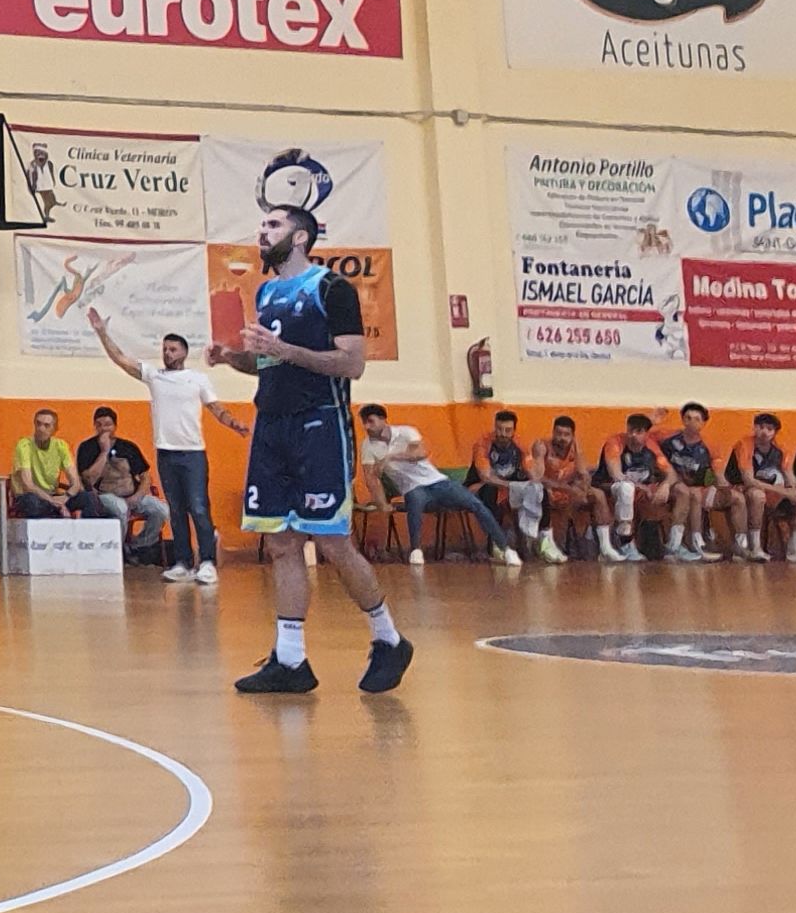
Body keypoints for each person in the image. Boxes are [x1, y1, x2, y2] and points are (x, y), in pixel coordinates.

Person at [223, 203, 409, 696]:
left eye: (273, 225)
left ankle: (388, 638)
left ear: (301, 236)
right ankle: (290, 659)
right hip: (272, 424)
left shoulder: (331, 288)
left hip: (319, 426)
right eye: (260, 223)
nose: (263, 232)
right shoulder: (265, 291)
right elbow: (268, 364)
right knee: (281, 542)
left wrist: (288, 353)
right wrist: (234, 358)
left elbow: (352, 365)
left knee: (330, 540)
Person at [89, 310, 219, 583]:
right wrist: (102, 332)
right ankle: (183, 561)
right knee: (175, 508)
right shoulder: (154, 376)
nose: (167, 353)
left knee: (198, 507)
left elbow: (215, 407)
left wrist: (232, 422)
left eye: (173, 349)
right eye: (164, 349)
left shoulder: (197, 379)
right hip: (166, 452)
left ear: (184, 352)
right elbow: (121, 360)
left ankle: (207, 560)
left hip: (193, 452)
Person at [356, 404, 516, 569]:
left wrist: (390, 457)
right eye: (364, 423)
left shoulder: (405, 432)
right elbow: (371, 478)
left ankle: (506, 548)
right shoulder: (368, 446)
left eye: (371, 422)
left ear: (383, 420)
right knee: (414, 500)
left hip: (437, 482)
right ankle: (416, 550)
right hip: (412, 487)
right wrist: (382, 503)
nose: (367, 427)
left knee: (475, 503)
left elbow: (419, 453)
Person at [74, 407, 174, 559]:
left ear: (115, 426)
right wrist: (104, 452)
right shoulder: (87, 447)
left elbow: (145, 476)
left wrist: (138, 496)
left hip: (132, 495)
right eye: (99, 425)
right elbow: (88, 480)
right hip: (103, 497)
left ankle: (138, 547)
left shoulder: (128, 447)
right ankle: (116, 551)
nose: (103, 429)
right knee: (120, 508)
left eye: (107, 424)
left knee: (162, 510)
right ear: (95, 426)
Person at [467, 409, 564, 563]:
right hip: (479, 487)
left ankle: (545, 542)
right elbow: (486, 476)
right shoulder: (483, 444)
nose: (503, 434)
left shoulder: (520, 444)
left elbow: (533, 474)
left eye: (507, 430)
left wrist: (539, 461)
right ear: (495, 427)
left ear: (513, 431)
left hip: (509, 488)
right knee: (492, 490)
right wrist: (512, 486)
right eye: (499, 429)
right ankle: (497, 544)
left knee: (540, 491)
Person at [733, 411, 796, 563]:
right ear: (754, 428)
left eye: (769, 429)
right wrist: (783, 492)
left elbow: (788, 474)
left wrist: (793, 486)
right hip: (742, 489)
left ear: (775, 433)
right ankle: (755, 546)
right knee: (758, 495)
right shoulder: (745, 445)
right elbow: (749, 480)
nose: (765, 432)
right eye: (761, 427)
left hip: (773, 491)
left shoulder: (780, 450)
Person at [657, 403, 729, 562]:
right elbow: (643, 437)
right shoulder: (667, 438)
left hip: (697, 488)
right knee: (687, 492)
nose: (692, 422)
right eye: (688, 418)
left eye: (697, 419)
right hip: (670, 485)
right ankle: (675, 546)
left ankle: (699, 542)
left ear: (703, 423)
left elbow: (716, 474)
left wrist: (722, 488)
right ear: (682, 420)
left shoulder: (709, 446)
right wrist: (653, 421)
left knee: (698, 494)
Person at [594, 412, 668, 562]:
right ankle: (625, 541)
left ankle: (669, 546)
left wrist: (666, 485)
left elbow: (670, 472)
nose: (633, 435)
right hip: (608, 486)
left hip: (639, 492)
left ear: (647, 434)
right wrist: (642, 487)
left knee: (662, 494)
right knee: (626, 487)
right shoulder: (615, 443)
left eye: (639, 432)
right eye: (630, 430)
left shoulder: (652, 448)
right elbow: (616, 475)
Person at [535, 416, 608, 555]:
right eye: (558, 433)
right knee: (555, 496)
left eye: (566, 434)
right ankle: (561, 544)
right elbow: (538, 478)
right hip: (548, 490)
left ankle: (606, 547)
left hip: (569, 490)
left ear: (572, 435)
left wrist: (584, 488)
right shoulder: (542, 446)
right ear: (553, 433)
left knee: (598, 495)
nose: (562, 437)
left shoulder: (576, 447)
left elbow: (583, 474)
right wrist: (568, 489)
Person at [8, 408, 75, 520]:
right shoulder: (24, 445)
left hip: (53, 496)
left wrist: (66, 497)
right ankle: (57, 514)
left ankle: (84, 535)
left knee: (87, 498)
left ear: (55, 429)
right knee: (31, 503)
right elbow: (28, 485)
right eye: (38, 424)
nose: (41, 429)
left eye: (46, 425)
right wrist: (54, 502)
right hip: (29, 496)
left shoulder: (61, 446)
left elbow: (75, 482)